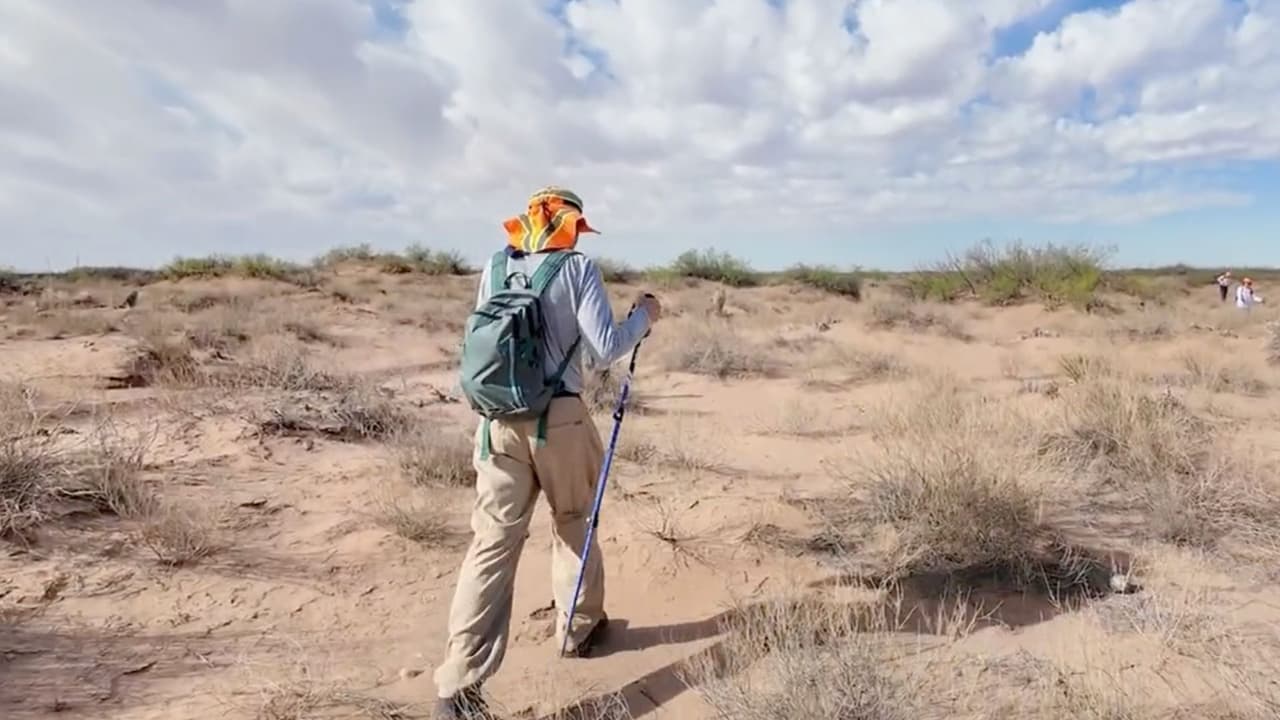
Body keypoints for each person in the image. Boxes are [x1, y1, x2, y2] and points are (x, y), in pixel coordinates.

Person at [432, 186, 661, 719]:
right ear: (571, 226)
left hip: (494, 425)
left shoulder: (493, 267)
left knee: (490, 544)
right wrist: (644, 316)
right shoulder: (578, 268)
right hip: (558, 419)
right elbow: (604, 350)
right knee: (573, 522)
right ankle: (578, 631)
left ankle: (458, 686)